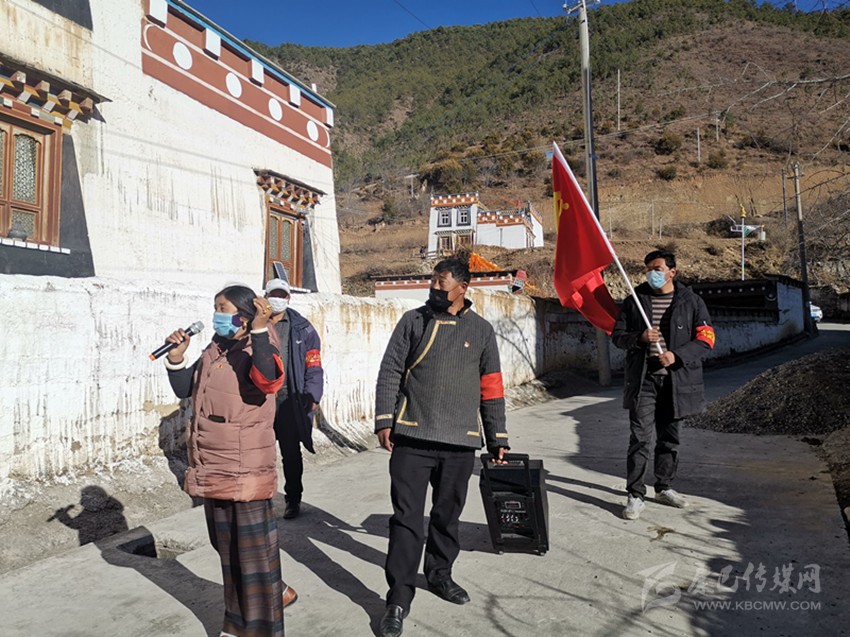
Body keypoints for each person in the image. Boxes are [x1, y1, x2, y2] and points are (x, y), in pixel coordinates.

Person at [373, 258, 510, 637]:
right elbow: (390, 370)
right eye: (432, 280)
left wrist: (497, 436)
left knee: (447, 517)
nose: (434, 287)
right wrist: (384, 419)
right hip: (412, 439)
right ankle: (398, 598)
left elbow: (492, 387)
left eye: (441, 281)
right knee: (406, 520)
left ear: (463, 287)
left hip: (460, 443)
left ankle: (439, 574)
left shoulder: (481, 331)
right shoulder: (413, 321)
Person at [162, 284, 289, 636]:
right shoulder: (216, 347)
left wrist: (260, 330)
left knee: (251, 556)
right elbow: (186, 389)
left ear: (246, 315)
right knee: (228, 549)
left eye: (223, 308)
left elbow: (268, 380)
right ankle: (241, 621)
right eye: (215, 307)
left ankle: (260, 629)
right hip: (213, 463)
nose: (217, 314)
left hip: (244, 465)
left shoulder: (259, 344)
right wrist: (177, 358)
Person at [612, 250, 715, 521]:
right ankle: (635, 494)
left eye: (657, 268)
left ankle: (664, 487)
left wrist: (676, 356)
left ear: (672, 272)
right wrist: (640, 337)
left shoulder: (691, 301)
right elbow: (618, 336)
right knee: (640, 438)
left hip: (677, 381)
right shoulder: (635, 301)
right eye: (648, 269)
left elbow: (706, 339)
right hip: (643, 381)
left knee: (670, 438)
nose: (651, 274)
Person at [264, 278, 324, 520]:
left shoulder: (303, 329)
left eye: (281, 295)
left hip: (289, 398)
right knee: (261, 452)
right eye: (273, 295)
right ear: (265, 297)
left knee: (290, 452)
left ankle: (293, 498)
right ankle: (261, 498)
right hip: (261, 399)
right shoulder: (253, 324)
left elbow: (314, 365)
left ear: (288, 298)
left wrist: (313, 394)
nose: (277, 300)